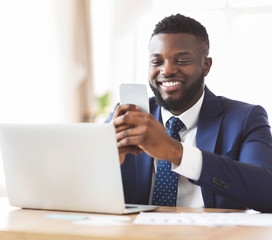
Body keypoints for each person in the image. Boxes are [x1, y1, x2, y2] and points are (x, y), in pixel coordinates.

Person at [107, 14, 272, 212]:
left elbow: (266, 192)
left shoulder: (245, 118)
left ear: (206, 66)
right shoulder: (126, 116)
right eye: (157, 61)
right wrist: (105, 163)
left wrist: (176, 152)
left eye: (182, 60)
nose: (166, 70)